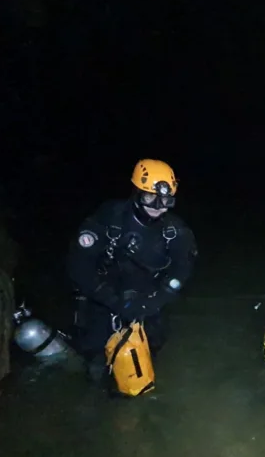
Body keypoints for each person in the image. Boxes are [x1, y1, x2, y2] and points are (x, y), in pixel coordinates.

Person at [67, 159, 198, 383]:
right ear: (136, 192)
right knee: (95, 358)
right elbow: (78, 266)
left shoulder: (175, 231)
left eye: (165, 200)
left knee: (148, 356)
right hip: (103, 293)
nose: (157, 207)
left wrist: (154, 302)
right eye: (149, 197)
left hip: (148, 298)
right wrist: (112, 300)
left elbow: (181, 272)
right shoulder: (109, 217)